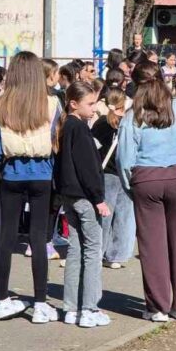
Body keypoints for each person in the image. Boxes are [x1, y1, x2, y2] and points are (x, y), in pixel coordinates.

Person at [117, 60, 176, 323]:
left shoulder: (132, 116)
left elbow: (125, 158)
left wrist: (131, 186)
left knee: (151, 245)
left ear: (136, 84)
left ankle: (158, 306)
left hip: (146, 179)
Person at [0, 51, 62, 323]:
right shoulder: (52, 103)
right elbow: (57, 140)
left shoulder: (1, 104)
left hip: (11, 173)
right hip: (42, 173)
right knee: (38, 237)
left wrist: (2, 168)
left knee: (6, 236)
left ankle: (1, 300)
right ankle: (41, 303)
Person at [55, 82, 112, 328]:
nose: (94, 108)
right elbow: (87, 167)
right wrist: (98, 198)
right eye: (90, 104)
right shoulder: (78, 128)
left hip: (69, 196)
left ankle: (70, 308)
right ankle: (89, 307)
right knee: (92, 251)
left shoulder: (65, 126)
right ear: (74, 104)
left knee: (76, 250)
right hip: (85, 197)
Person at [91, 88, 137, 269]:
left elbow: (93, 149)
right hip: (126, 173)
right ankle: (117, 255)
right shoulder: (130, 123)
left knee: (103, 217)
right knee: (124, 218)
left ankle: (97, 251)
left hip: (106, 174)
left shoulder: (101, 124)